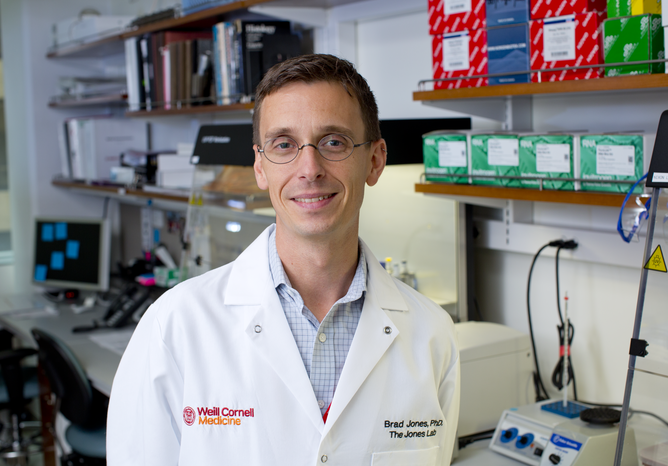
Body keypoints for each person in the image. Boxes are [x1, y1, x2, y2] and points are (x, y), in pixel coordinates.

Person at [107, 53, 460, 465]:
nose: (309, 168)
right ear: (260, 166)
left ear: (375, 160)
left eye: (334, 142)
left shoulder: (432, 334)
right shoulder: (175, 326)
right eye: (284, 145)